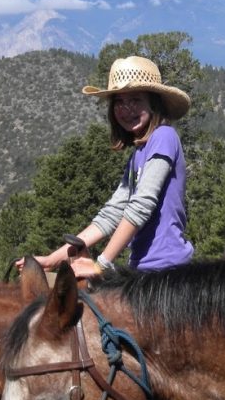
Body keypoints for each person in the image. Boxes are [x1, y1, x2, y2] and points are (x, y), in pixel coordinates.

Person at [28, 56, 193, 278]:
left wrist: (101, 265)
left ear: (154, 103)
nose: (127, 109)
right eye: (119, 102)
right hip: (143, 270)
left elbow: (141, 205)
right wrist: (51, 260)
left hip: (167, 272)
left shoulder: (164, 137)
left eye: (135, 100)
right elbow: (112, 213)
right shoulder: (138, 156)